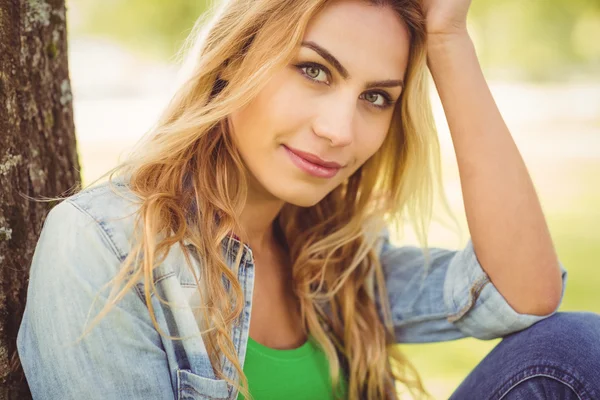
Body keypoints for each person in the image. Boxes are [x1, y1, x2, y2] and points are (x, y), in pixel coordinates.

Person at [16, 0, 600, 399]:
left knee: (575, 348)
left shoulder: (335, 257)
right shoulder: (103, 247)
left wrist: (447, 40)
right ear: (234, 61)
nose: (340, 130)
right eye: (314, 71)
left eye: (376, 96)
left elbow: (524, 294)